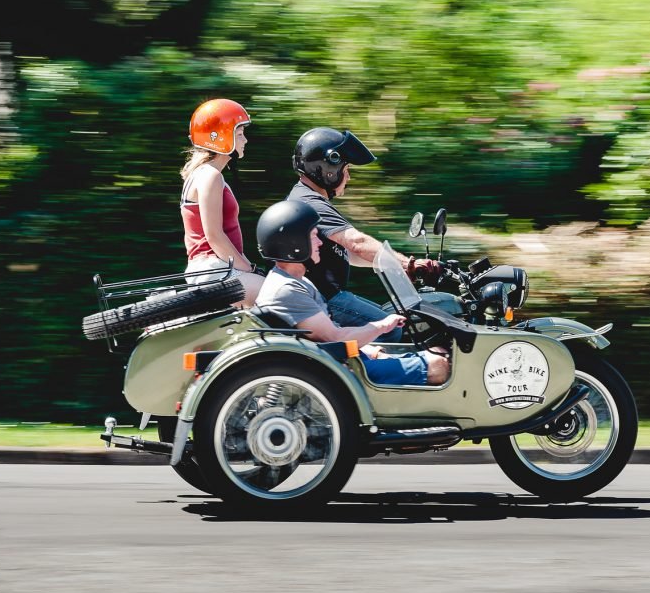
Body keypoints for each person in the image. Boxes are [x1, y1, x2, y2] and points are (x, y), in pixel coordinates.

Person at [254, 200, 450, 386]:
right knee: (440, 364)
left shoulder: (296, 282)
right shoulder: (287, 289)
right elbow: (336, 338)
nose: (320, 243)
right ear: (294, 243)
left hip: (343, 359)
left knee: (436, 353)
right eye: (314, 236)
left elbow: (328, 336)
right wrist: (381, 326)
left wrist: (369, 349)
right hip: (343, 370)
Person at [286, 127, 441, 342]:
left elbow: (348, 254)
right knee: (398, 331)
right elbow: (356, 242)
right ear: (328, 168)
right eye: (346, 168)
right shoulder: (310, 203)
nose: (348, 177)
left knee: (396, 320)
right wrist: (407, 263)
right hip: (328, 299)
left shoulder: (307, 198)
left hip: (328, 296)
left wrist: (395, 265)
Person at [180, 98, 263, 308]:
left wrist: (247, 266)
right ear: (220, 137)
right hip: (214, 270)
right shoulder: (210, 176)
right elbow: (215, 236)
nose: (245, 140)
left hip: (215, 268)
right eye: (240, 134)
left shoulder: (205, 175)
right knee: (286, 295)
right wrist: (250, 269)